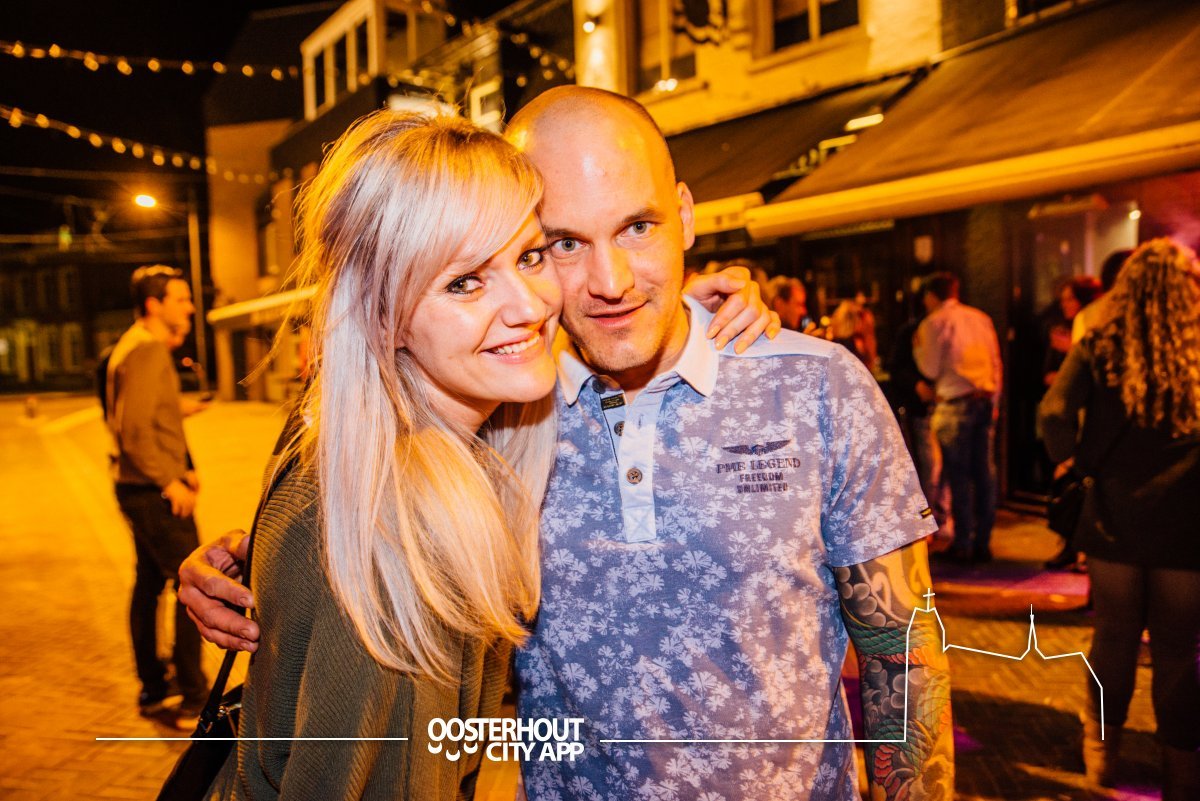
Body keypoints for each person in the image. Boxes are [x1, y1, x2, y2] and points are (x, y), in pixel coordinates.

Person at [182, 88, 953, 801]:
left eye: (638, 227)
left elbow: (903, 651)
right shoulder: (505, 407)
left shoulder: (816, 386)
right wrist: (271, 572)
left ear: (686, 216)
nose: (611, 280)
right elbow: (367, 500)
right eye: (561, 243)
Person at [1038, 238, 1200, 798]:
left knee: (1114, 639)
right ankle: (1182, 772)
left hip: (1114, 515)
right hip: (1187, 519)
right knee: (1179, 652)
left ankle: (1102, 760)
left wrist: (1073, 462)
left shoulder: (1100, 343)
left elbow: (1054, 413)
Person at [106, 265, 208, 722]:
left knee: (148, 586)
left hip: (137, 486)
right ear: (154, 304)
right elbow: (133, 430)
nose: (190, 307)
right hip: (152, 491)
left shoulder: (134, 345)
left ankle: (153, 685)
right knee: (195, 582)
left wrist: (184, 459)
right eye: (180, 299)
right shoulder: (146, 349)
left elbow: (143, 415)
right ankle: (194, 694)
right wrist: (170, 481)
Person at [913, 272, 1003, 564]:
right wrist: (995, 401)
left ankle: (963, 542)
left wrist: (918, 348)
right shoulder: (980, 318)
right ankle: (983, 542)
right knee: (985, 474)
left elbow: (929, 368)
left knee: (958, 475)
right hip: (984, 400)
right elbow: (995, 363)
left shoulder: (934, 322)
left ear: (931, 296)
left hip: (954, 403)